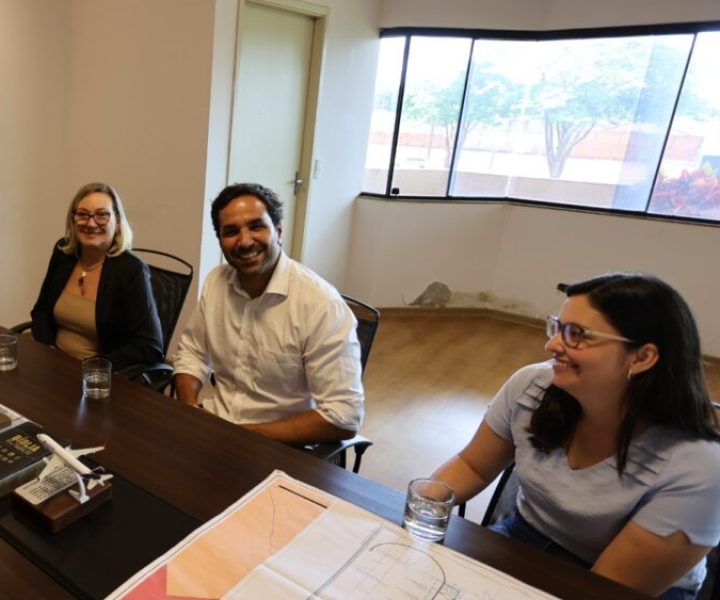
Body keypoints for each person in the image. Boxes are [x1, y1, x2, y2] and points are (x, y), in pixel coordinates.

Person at [431, 273, 720, 599]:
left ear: (642, 357)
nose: (552, 344)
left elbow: (603, 589)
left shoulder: (698, 468)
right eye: (558, 327)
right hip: (525, 538)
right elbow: (472, 466)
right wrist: (416, 509)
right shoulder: (532, 387)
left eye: (576, 335)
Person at [172, 183, 364, 445]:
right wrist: (190, 409)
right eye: (231, 232)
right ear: (220, 241)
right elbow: (192, 353)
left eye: (256, 226)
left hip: (281, 446)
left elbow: (344, 415)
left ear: (279, 231)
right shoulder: (216, 282)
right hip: (217, 429)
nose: (245, 241)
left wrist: (239, 436)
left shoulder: (321, 305)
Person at [28, 182, 163, 370]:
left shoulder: (131, 270)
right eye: (83, 214)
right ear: (73, 220)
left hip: (97, 375)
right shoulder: (63, 253)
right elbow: (41, 312)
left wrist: (94, 366)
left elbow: (149, 345)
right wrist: (49, 351)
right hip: (54, 365)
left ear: (117, 223)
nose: (91, 223)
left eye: (102, 215)